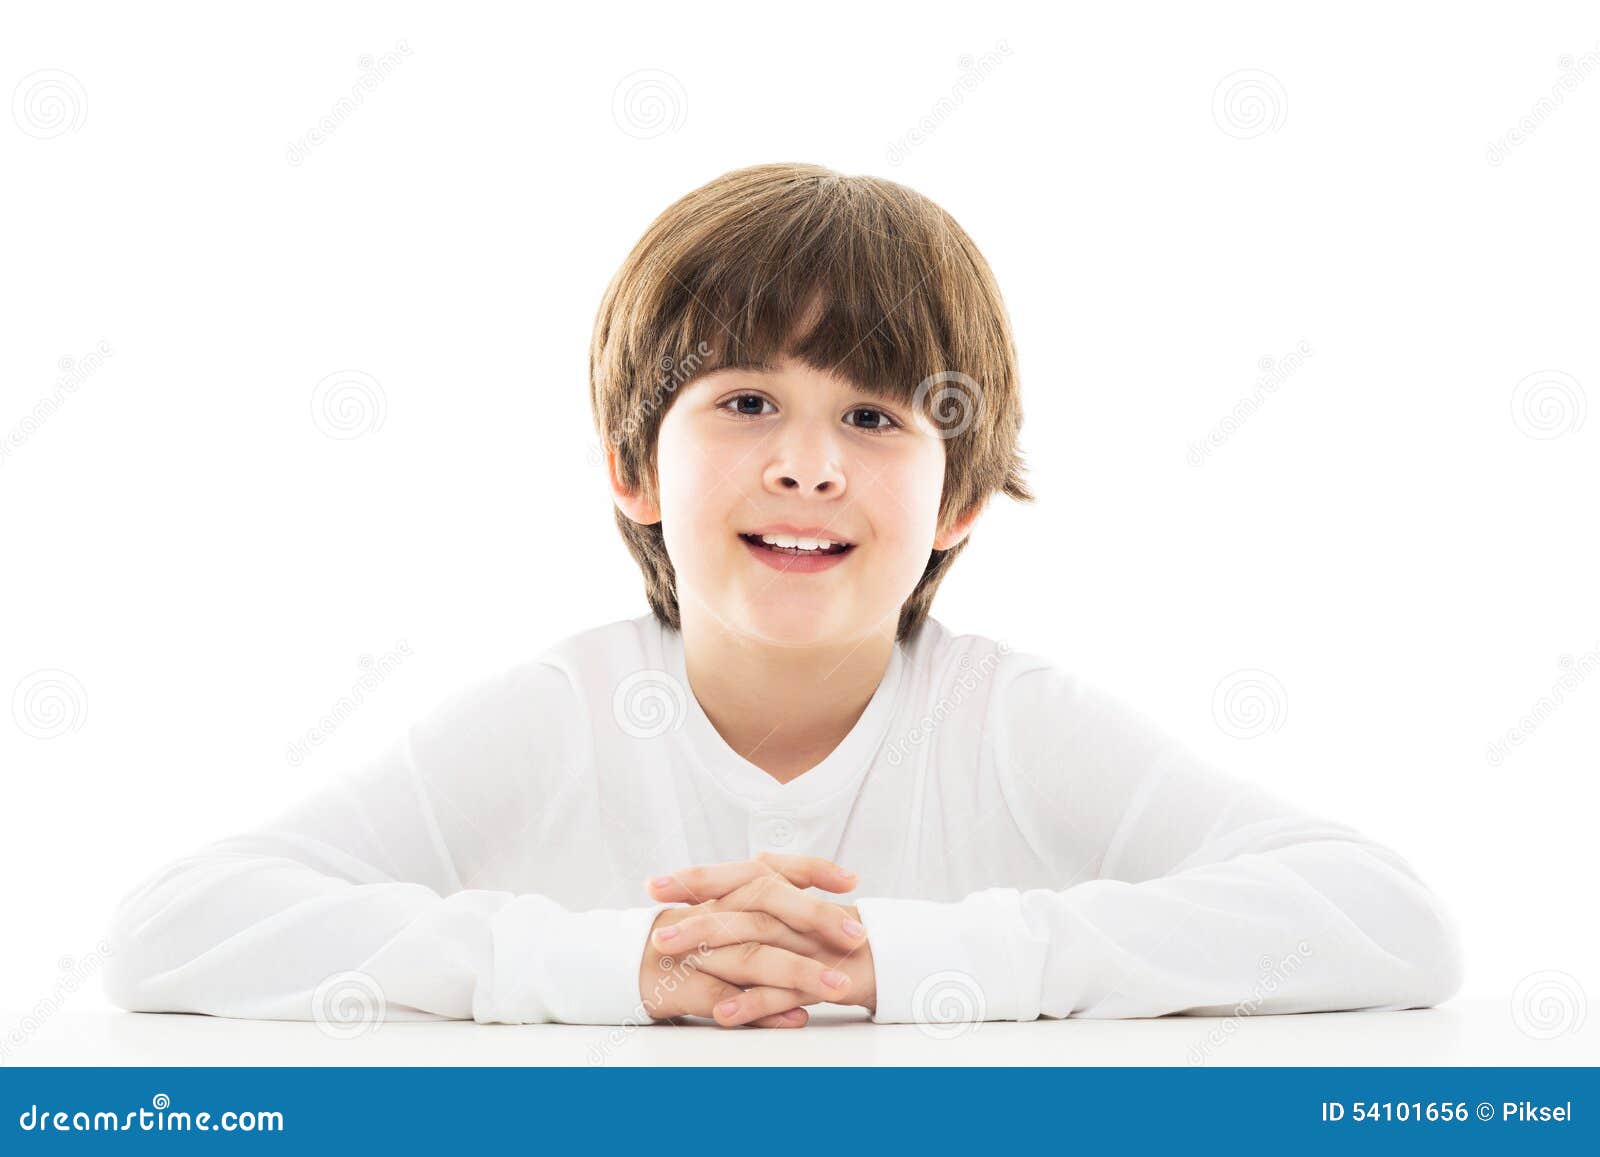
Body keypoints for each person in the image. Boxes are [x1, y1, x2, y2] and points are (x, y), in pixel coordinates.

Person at [101, 163, 1463, 1031]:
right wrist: (619, 966)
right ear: (636, 465)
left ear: (960, 502)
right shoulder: (560, 714)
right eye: (747, 400)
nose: (808, 463)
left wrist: (899, 958)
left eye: (875, 416)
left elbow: (1384, 913)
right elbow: (174, 924)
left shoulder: (1007, 723)